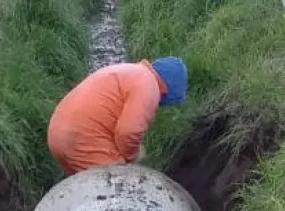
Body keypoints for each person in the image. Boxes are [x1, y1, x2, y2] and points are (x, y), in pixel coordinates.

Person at [47, 57, 188, 176]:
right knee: (120, 185)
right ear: (168, 91)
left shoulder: (130, 71)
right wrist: (133, 156)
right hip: (83, 140)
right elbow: (129, 132)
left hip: (57, 135)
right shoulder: (150, 86)